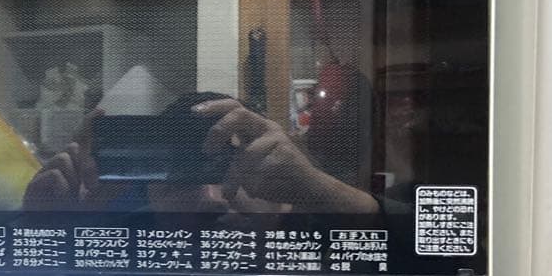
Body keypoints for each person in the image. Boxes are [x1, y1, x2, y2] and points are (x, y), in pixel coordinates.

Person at [23, 96, 378, 215]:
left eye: (227, 170)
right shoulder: (124, 246)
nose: (212, 198)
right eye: (184, 176)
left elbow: (405, 254)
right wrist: (49, 235)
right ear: (150, 195)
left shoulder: (316, 250)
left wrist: (319, 189)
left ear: (283, 203)